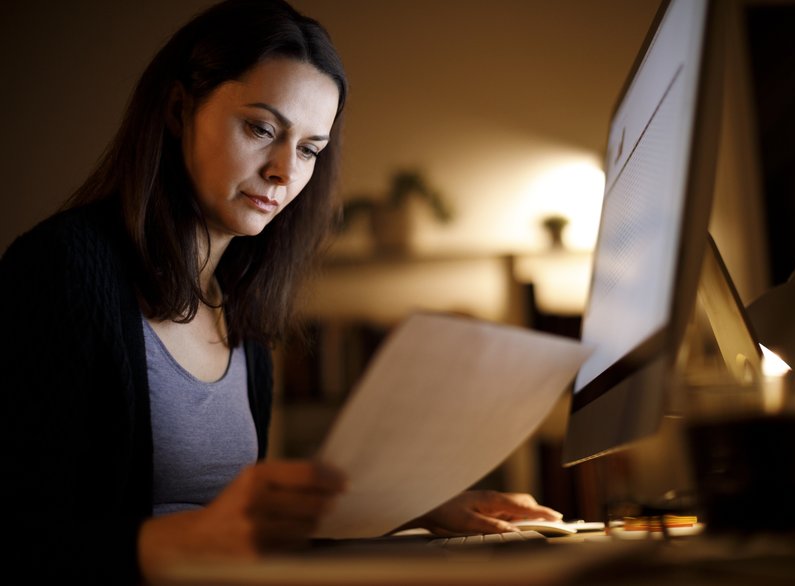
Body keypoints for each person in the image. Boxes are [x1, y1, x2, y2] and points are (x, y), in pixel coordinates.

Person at [0, 1, 562, 583]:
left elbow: (235, 533)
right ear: (176, 109)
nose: (283, 171)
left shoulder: (239, 312)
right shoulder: (62, 269)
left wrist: (416, 509)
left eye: (309, 149)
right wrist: (182, 541)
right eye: (262, 128)